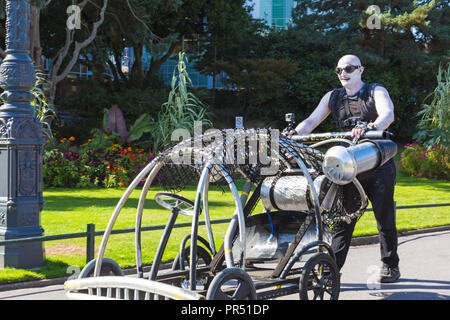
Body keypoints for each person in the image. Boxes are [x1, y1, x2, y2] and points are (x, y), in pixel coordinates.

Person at [284, 54, 400, 283]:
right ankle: (330, 272)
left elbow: (388, 114)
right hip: (348, 167)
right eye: (339, 70)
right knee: (342, 220)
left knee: (384, 219)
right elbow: (310, 121)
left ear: (360, 70)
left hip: (378, 165)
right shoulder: (332, 97)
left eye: (348, 68)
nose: (343, 73)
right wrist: (294, 134)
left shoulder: (375, 91)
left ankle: (390, 266)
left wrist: (371, 126)